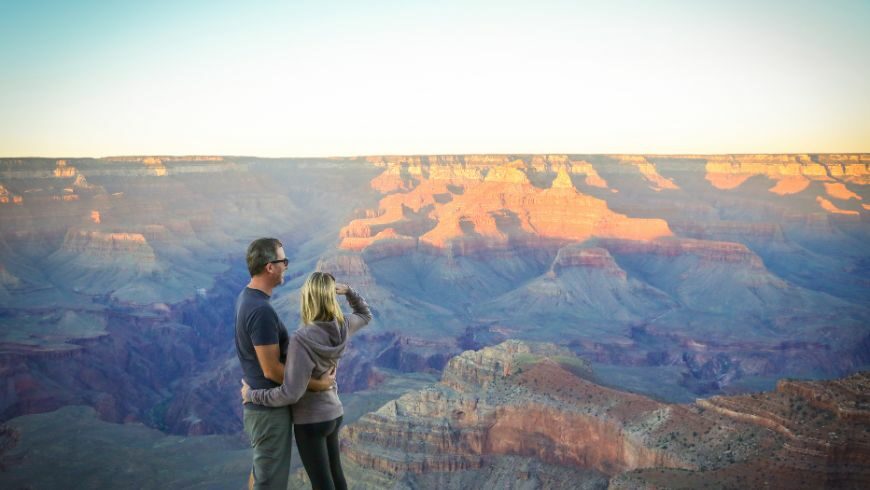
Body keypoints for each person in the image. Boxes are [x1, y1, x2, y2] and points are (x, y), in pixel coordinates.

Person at [242, 271, 372, 490]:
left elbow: (291, 393)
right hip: (334, 413)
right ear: (331, 297)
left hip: (310, 420)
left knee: (322, 484)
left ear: (308, 298)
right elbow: (365, 314)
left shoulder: (302, 339)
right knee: (337, 478)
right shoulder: (343, 326)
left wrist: (252, 395)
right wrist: (350, 292)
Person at [235, 238, 336, 490]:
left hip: (261, 407)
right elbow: (273, 370)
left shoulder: (248, 298)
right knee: (270, 483)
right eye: (284, 261)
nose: (286, 267)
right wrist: (319, 385)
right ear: (270, 267)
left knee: (262, 475)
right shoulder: (261, 311)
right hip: (268, 411)